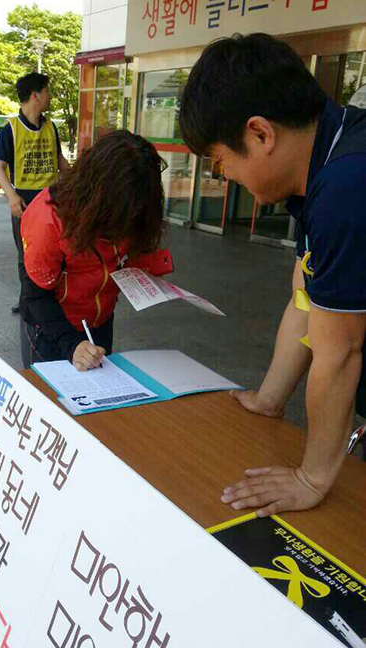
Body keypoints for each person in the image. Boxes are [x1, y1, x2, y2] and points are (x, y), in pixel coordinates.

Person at [179, 33, 366, 516]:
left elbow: (340, 352)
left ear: (261, 134)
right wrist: (269, 398)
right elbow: (306, 298)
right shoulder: (322, 167)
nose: (224, 177)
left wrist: (311, 477)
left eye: (221, 162)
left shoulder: (348, 184)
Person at [20, 130, 173, 371]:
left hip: (99, 324)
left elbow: (128, 253)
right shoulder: (49, 220)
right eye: (121, 214)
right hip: (52, 331)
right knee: (50, 394)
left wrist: (150, 268)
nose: (126, 223)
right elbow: (35, 296)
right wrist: (71, 344)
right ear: (98, 195)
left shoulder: (130, 206)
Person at [0, 72, 68, 314]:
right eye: (47, 91)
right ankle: (28, 300)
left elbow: (60, 162)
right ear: (35, 95)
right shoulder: (11, 130)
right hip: (24, 202)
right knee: (25, 254)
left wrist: (78, 180)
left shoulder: (51, 128)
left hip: (51, 201)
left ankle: (52, 297)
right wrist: (11, 196)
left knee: (56, 251)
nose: (50, 96)